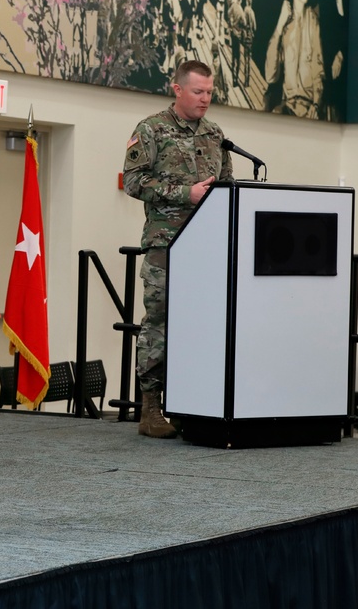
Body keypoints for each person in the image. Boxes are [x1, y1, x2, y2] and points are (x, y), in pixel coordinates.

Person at [122, 62, 233, 438]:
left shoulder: (216, 134)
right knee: (161, 322)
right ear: (178, 89)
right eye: (198, 92)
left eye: (209, 93)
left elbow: (228, 184)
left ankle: (191, 402)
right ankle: (151, 409)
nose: (205, 99)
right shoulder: (151, 129)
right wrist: (187, 193)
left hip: (208, 247)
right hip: (165, 245)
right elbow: (134, 182)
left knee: (203, 323)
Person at [264, 0, 326, 119]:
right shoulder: (285, 25)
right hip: (287, 108)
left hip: (309, 108)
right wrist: (279, 26)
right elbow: (270, 75)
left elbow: (318, 68)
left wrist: (316, 103)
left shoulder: (313, 21)